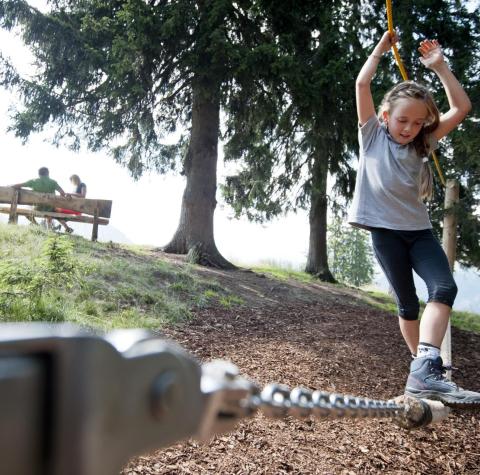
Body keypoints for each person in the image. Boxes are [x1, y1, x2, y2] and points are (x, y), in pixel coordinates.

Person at [348, 31, 480, 404]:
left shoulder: (424, 142)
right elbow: (362, 82)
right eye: (403, 120)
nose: (409, 128)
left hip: (418, 233)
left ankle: (426, 367)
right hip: (385, 234)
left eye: (417, 122)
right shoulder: (372, 135)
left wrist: (440, 67)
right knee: (407, 303)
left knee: (444, 288)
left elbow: (462, 108)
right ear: (386, 116)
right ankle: (422, 369)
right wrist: (379, 49)